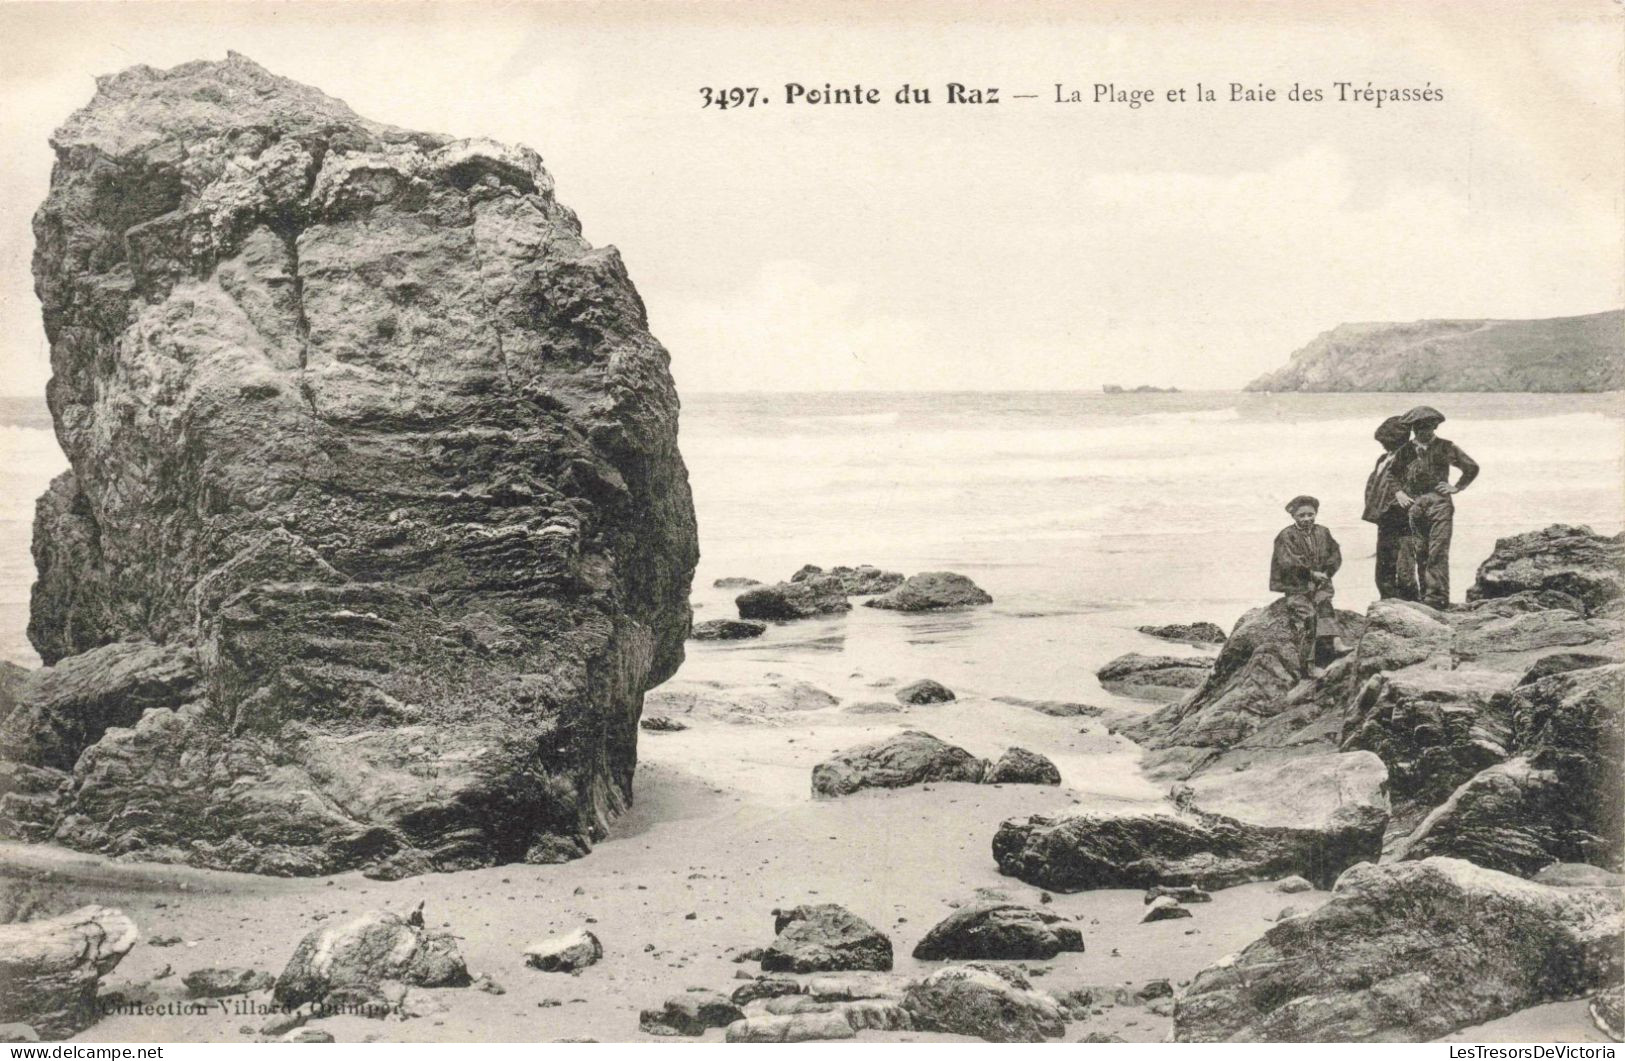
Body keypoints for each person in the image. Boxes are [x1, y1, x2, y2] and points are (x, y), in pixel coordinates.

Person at [1393, 406, 1479, 609]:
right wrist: (1399, 492)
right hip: (1415, 504)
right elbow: (1392, 474)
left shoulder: (1446, 447)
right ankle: (1426, 598)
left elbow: (1471, 467)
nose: (1423, 431)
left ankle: (1438, 598)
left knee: (1438, 550)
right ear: (1413, 428)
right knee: (1421, 550)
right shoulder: (1405, 450)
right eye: (1418, 427)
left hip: (1440, 503)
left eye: (1428, 427)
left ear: (1435, 426)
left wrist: (1457, 487)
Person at [1269, 495, 1345, 677]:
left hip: (1319, 584)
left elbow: (1335, 554)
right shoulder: (1285, 536)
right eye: (1301, 515)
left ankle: (1335, 642)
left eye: (1310, 514)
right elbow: (1287, 562)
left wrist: (1327, 573)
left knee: (1325, 604)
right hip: (1296, 586)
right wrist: (1310, 573)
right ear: (1293, 516)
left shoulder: (1323, 532)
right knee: (1309, 618)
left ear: (1316, 514)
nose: (1306, 519)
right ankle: (1308, 666)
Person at [1362, 415, 1418, 600]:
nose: (1384, 446)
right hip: (1385, 518)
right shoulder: (1383, 458)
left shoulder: (1411, 458)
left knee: (1404, 566)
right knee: (1384, 564)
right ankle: (1387, 600)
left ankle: (1409, 601)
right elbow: (1374, 485)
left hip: (1403, 517)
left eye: (1387, 442)